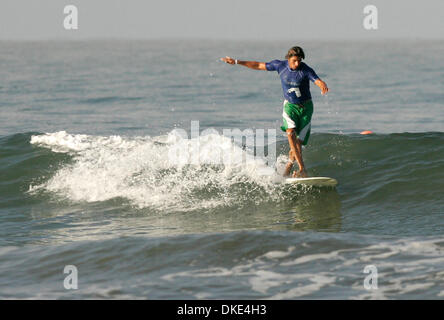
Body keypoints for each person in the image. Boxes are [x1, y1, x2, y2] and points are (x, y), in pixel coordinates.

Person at [221, 46, 329, 178]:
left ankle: (288, 167)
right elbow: (258, 65)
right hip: (290, 106)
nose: (297, 63)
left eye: (299, 61)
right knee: (290, 133)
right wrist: (237, 62)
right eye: (294, 60)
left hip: (306, 108)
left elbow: (316, 79)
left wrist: (321, 83)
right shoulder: (280, 66)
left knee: (298, 144)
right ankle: (302, 169)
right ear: (288, 59)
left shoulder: (305, 69)